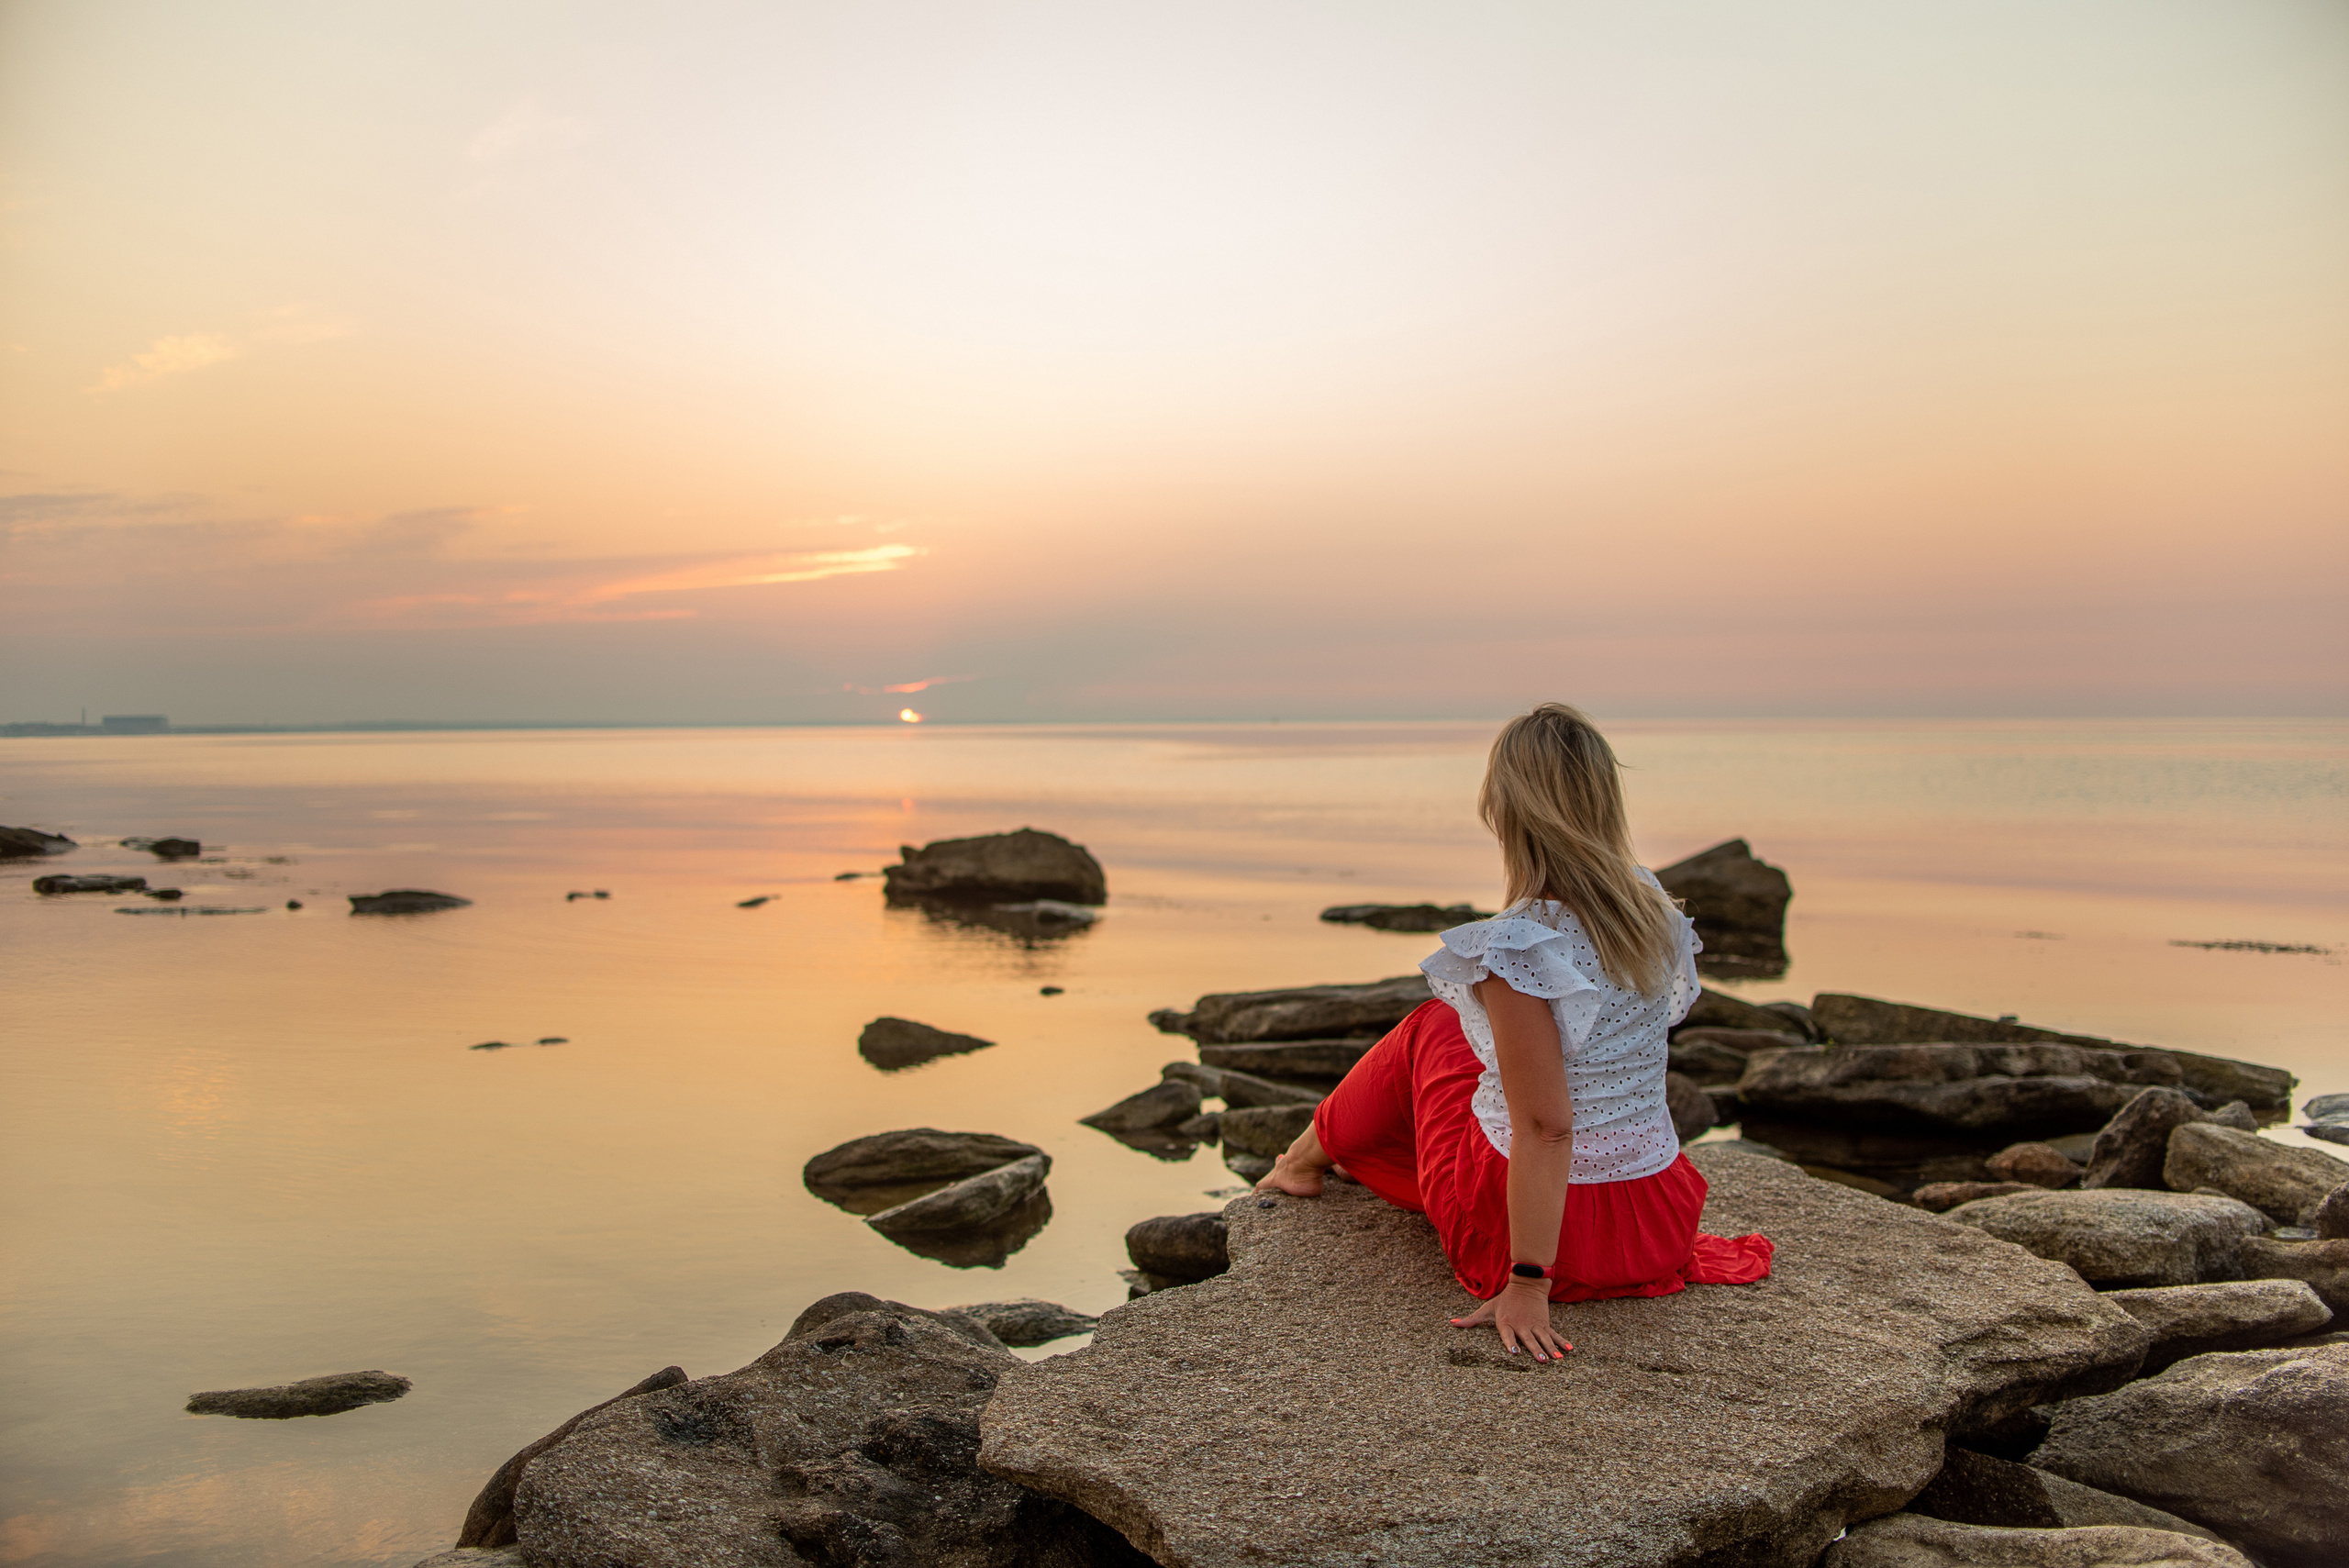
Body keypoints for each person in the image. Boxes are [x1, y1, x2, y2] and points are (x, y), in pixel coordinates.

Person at [1255, 702, 1773, 1361]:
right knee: (1468, 1039)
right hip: (1653, 1223)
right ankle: (1306, 1156)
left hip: (1550, 1245)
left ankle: (1301, 1160)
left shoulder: (1518, 946)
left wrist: (1528, 1282)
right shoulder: (1654, 912)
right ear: (1605, 801)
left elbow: (1548, 1128)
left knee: (1429, 1027)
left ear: (1502, 810)